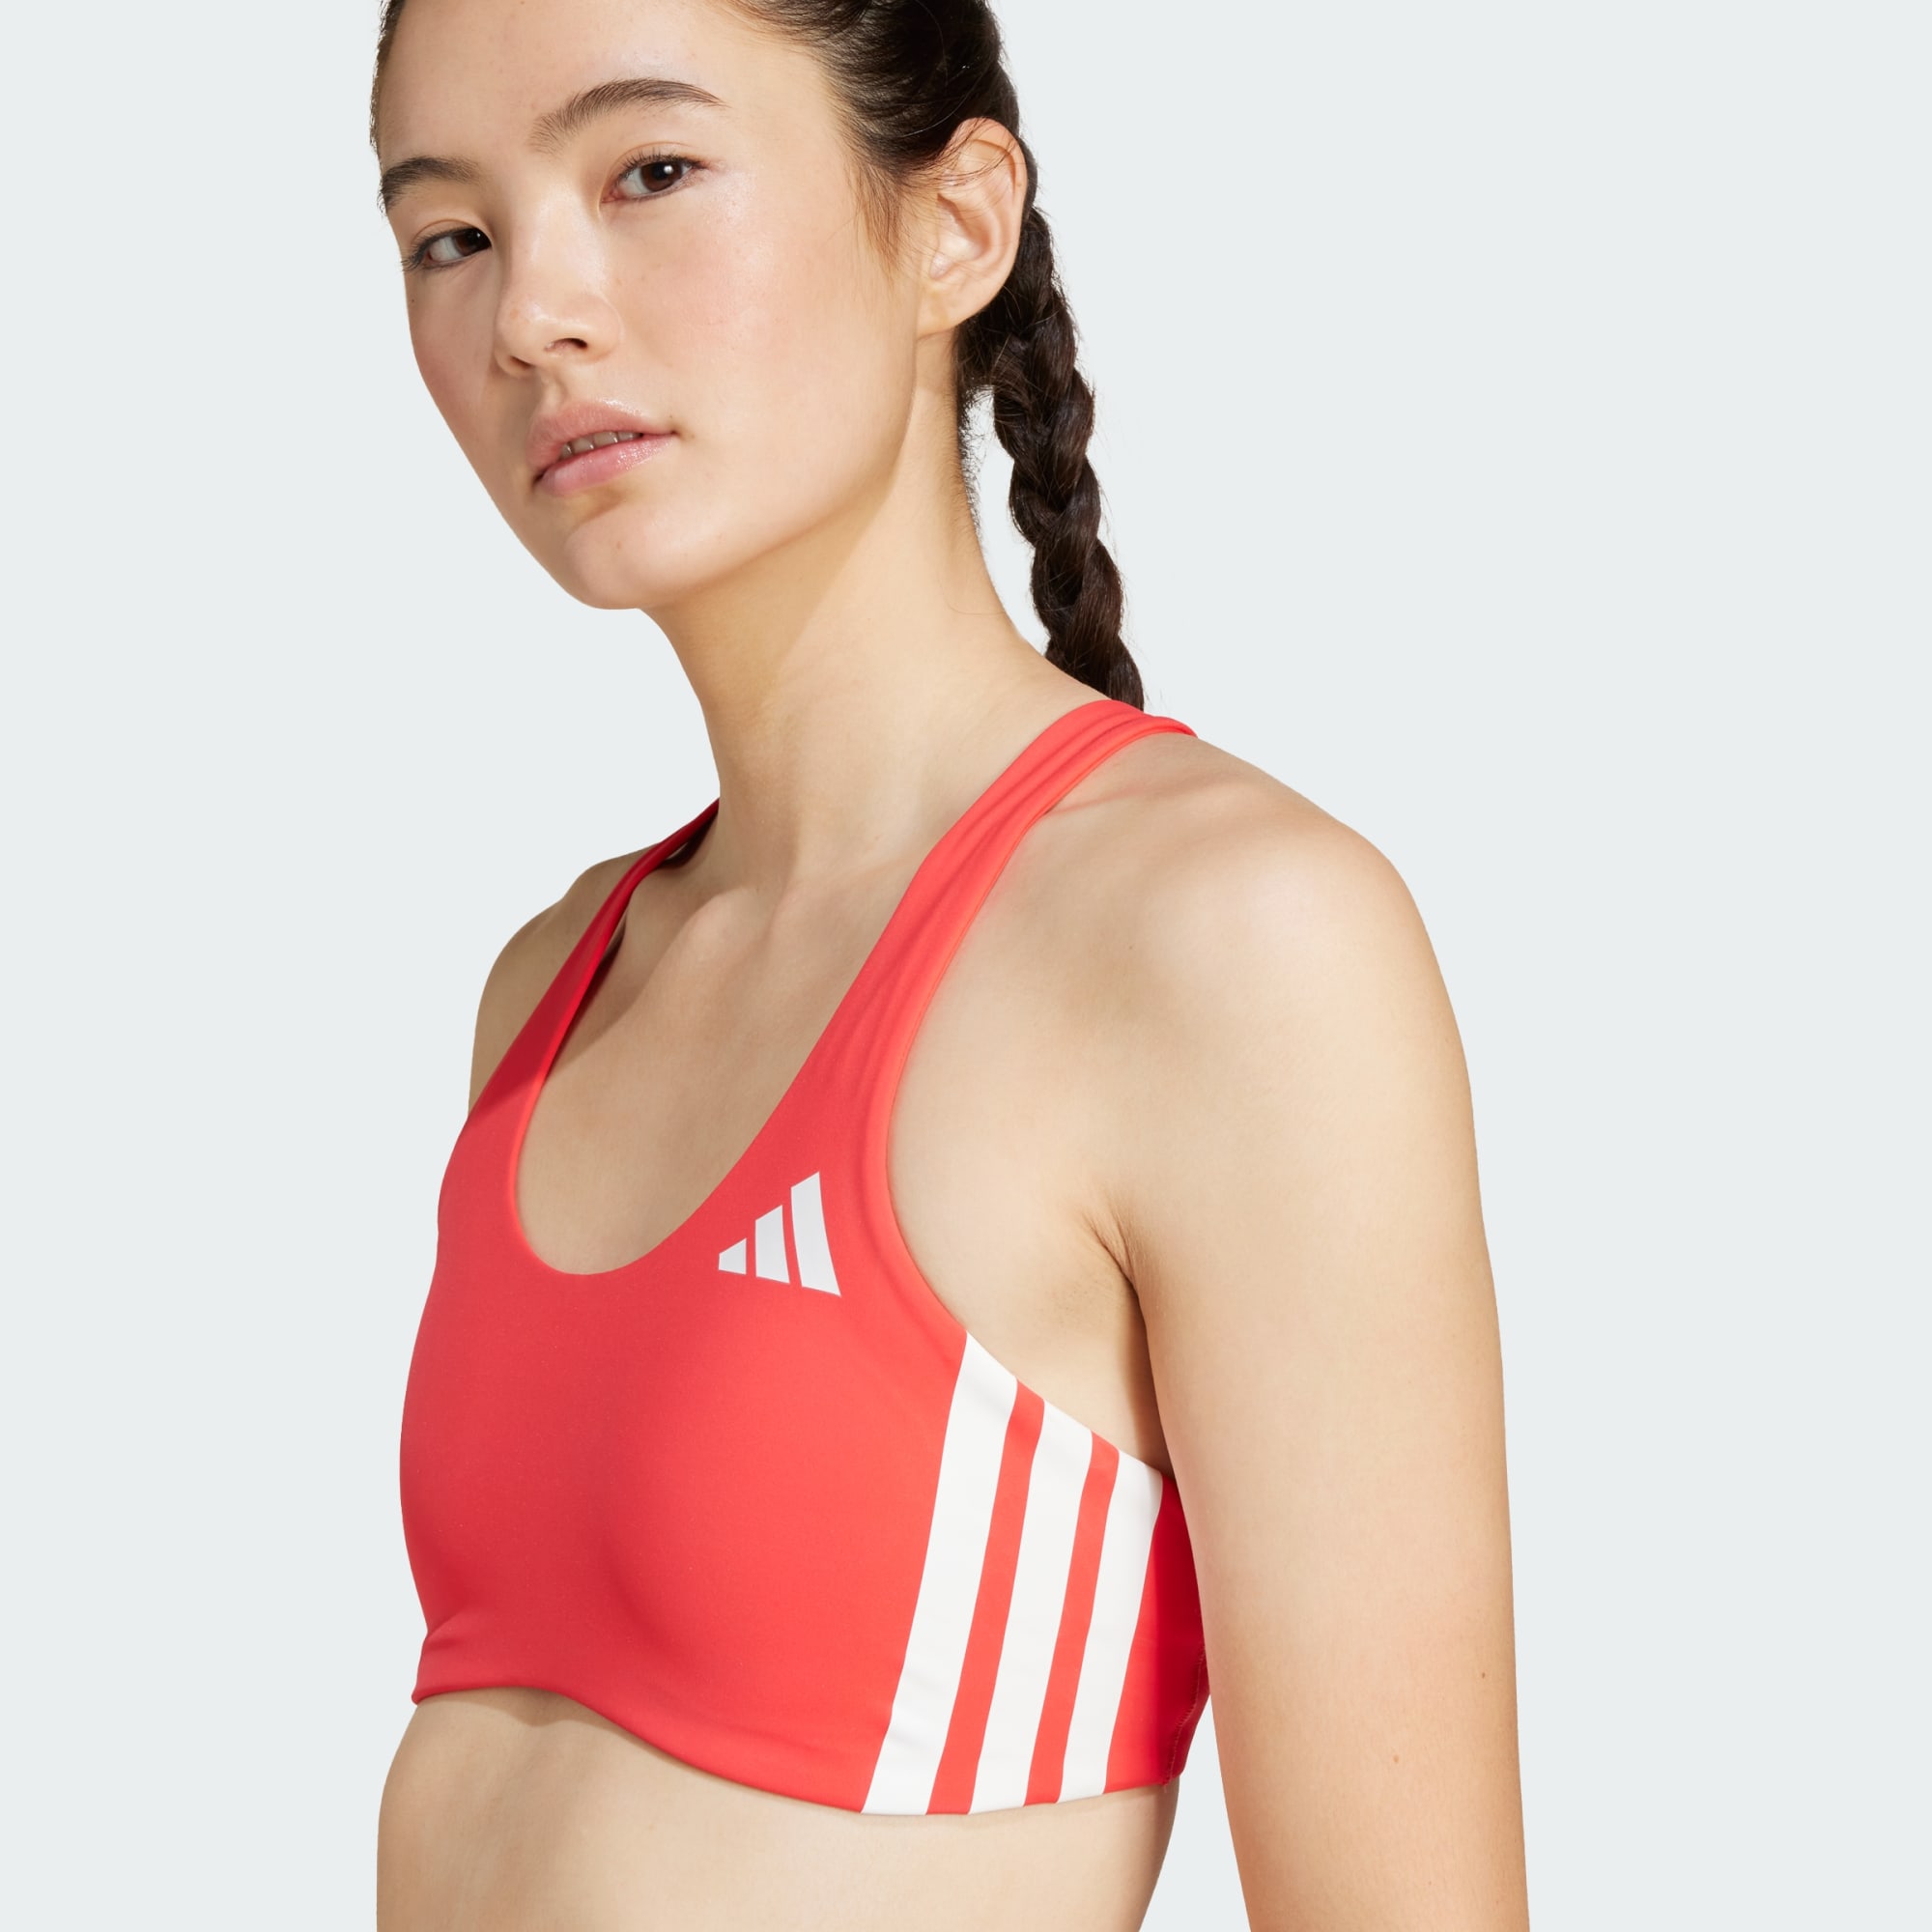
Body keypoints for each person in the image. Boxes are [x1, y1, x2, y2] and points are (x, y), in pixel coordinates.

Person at [370, 0, 1531, 1925]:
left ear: (957, 223)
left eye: (649, 171)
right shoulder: (557, 984)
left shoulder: (1225, 943)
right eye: (451, 233)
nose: (532, 314)